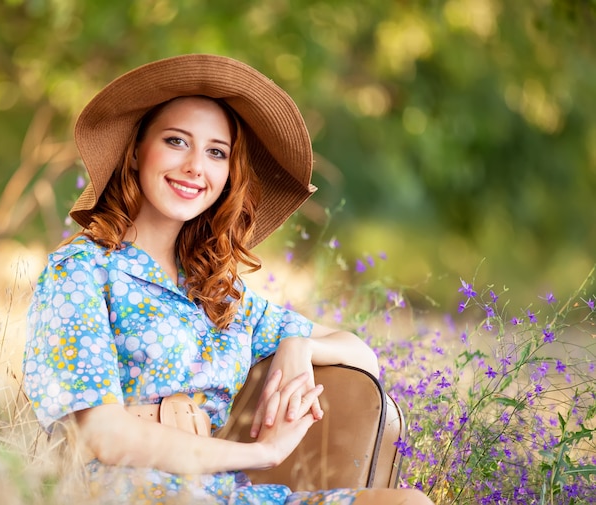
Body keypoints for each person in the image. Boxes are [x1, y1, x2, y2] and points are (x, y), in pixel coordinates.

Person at [22, 54, 434, 505]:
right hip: (124, 492)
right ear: (137, 150)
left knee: (408, 503)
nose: (196, 166)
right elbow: (103, 436)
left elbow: (362, 355)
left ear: (227, 176)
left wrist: (299, 344)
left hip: (223, 495)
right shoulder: (82, 269)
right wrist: (262, 452)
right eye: (177, 141)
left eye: (216, 152)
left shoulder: (218, 293)